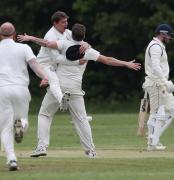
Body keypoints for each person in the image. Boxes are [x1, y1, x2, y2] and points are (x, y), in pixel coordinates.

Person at [18, 23, 141, 158]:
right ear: (84, 36)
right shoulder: (88, 50)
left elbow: (45, 43)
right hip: (75, 89)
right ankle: (91, 151)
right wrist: (126, 63)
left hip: (58, 86)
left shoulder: (63, 44)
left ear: (72, 34)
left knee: (45, 114)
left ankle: (41, 146)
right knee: (81, 119)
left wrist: (30, 38)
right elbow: (107, 60)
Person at [0, 22, 48, 171]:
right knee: (22, 119)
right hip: (21, 89)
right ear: (14, 35)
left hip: (2, 90)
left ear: (0, 35)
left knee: (5, 127)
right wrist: (44, 77)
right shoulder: (24, 48)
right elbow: (35, 66)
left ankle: (12, 159)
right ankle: (21, 125)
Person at [33, 11, 89, 110]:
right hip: (44, 65)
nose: (66, 24)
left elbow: (79, 39)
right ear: (55, 23)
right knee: (54, 81)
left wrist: (86, 44)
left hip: (56, 66)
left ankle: (78, 114)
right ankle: (61, 101)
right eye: (63, 22)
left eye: (66, 21)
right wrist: (76, 62)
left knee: (66, 85)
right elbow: (57, 58)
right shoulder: (50, 36)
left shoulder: (67, 32)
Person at [142, 23, 174, 151]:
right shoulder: (156, 47)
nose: (169, 38)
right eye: (168, 36)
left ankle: (153, 139)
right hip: (157, 83)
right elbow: (156, 66)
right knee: (158, 112)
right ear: (163, 34)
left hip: (158, 83)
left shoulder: (158, 46)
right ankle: (152, 141)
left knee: (171, 110)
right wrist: (164, 82)